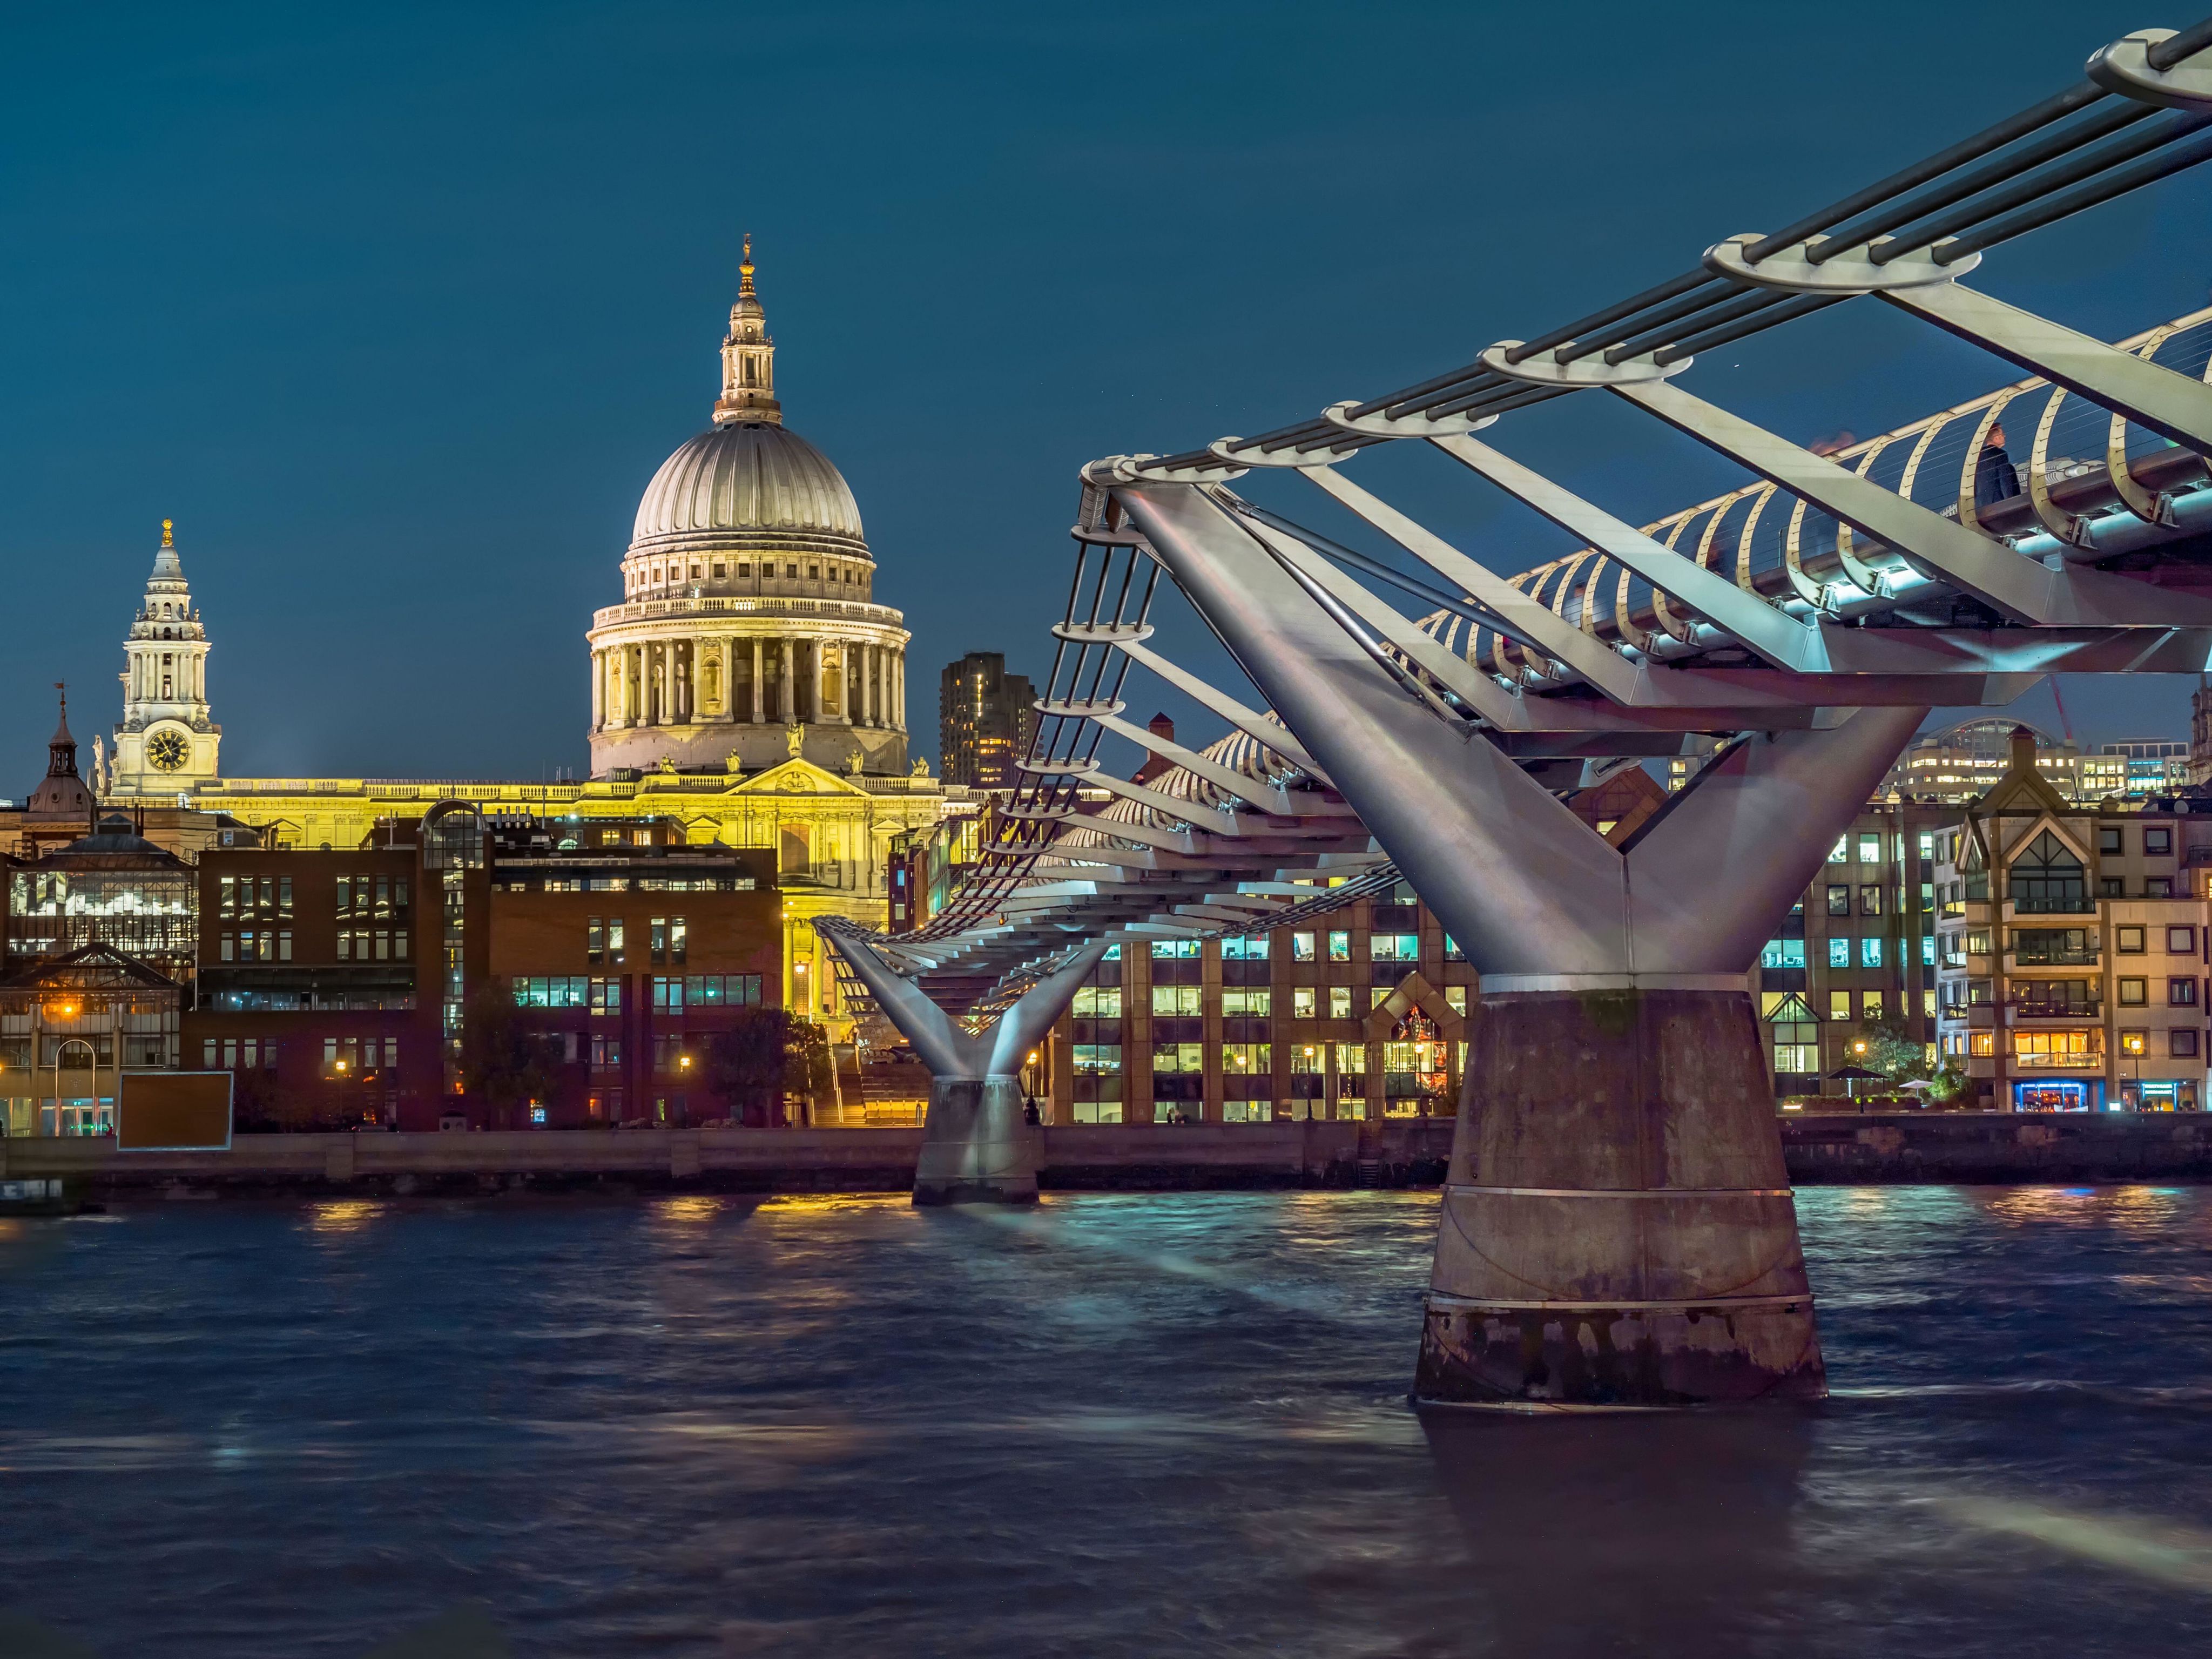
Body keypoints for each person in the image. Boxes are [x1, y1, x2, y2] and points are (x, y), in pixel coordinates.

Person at [1974, 421, 2021, 511]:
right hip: (1999, 503)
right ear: (1996, 438)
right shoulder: (2000, 454)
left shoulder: (1978, 457)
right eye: (2002, 435)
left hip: (1982, 505)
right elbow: (2005, 481)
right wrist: (2012, 503)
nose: (2004, 436)